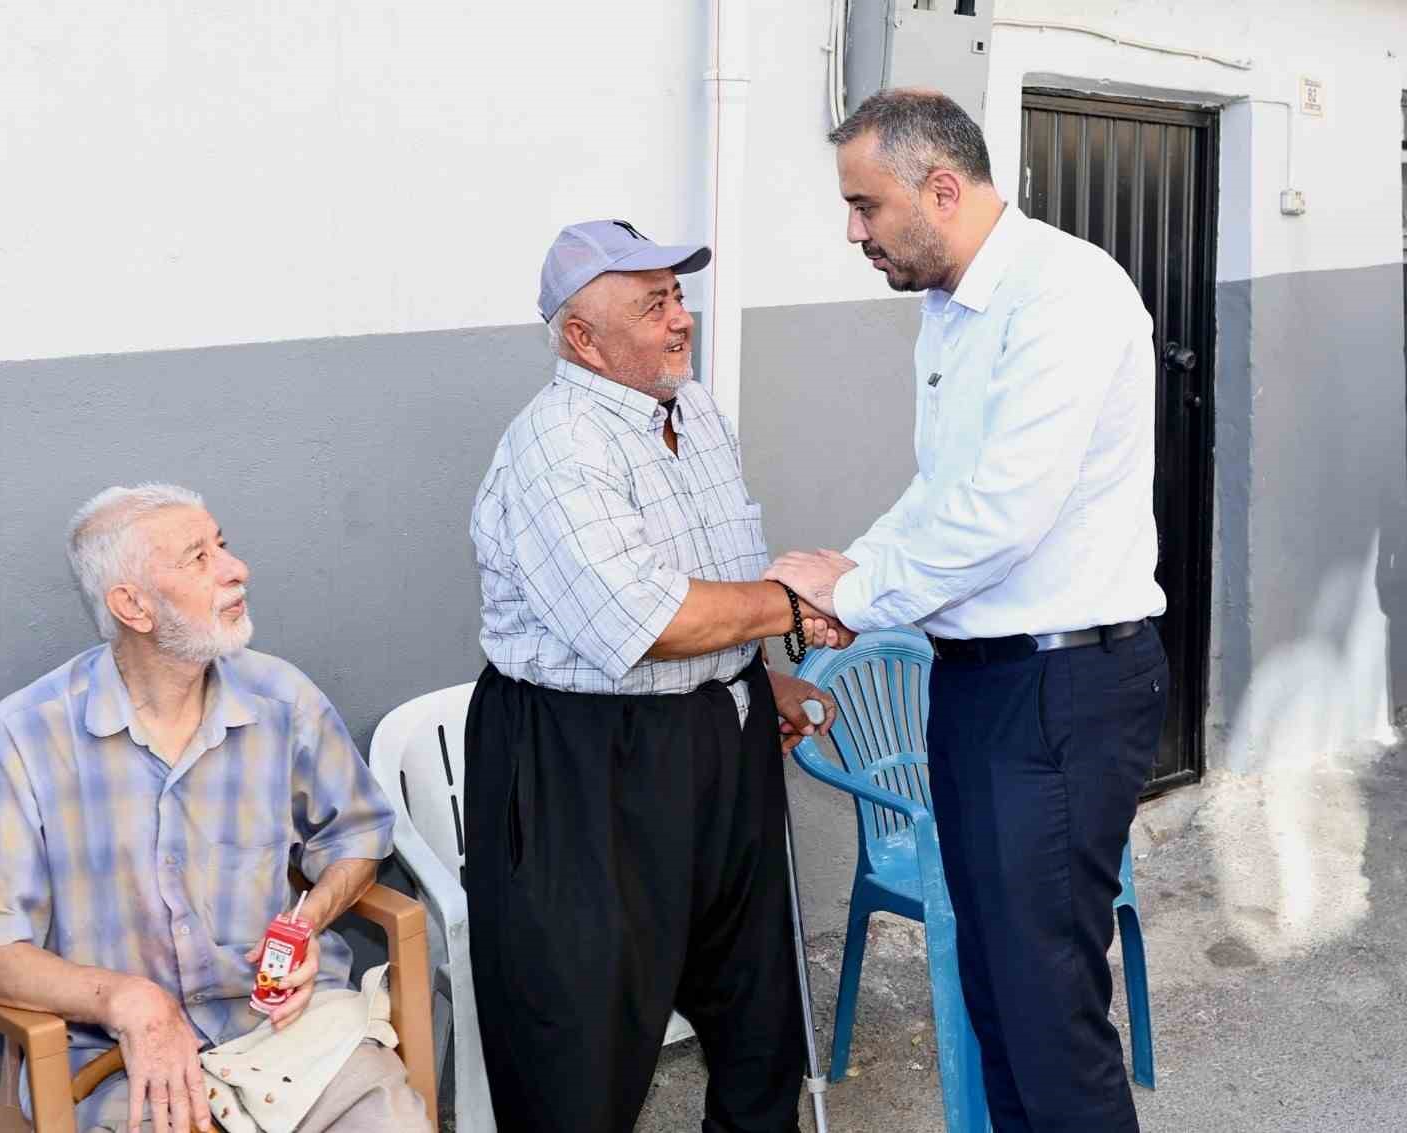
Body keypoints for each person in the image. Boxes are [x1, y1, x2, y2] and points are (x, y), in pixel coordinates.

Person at [766, 90, 1169, 1133]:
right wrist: (857, 567)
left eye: (865, 205)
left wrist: (853, 595)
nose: (853, 231)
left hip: (1058, 691)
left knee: (1048, 1019)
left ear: (940, 188)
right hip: (983, 684)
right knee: (992, 996)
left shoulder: (1064, 295)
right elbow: (941, 492)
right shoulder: (952, 309)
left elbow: (1000, 517)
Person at [466, 218, 852, 1132]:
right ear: (582, 338)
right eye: (654, 303)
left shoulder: (698, 410)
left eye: (678, 295)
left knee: (759, 1016)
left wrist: (761, 674)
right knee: (583, 1046)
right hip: (584, 761)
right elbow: (644, 622)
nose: (681, 319)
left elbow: (718, 573)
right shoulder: (558, 445)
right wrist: (796, 604)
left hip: (721, 733)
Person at [0, 484, 430, 1133]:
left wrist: (309, 918)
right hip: (121, 1064)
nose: (234, 567)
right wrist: (127, 1000)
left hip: (294, 1037)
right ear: (131, 605)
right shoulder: (27, 734)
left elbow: (359, 832)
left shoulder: (282, 698)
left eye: (222, 544)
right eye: (197, 558)